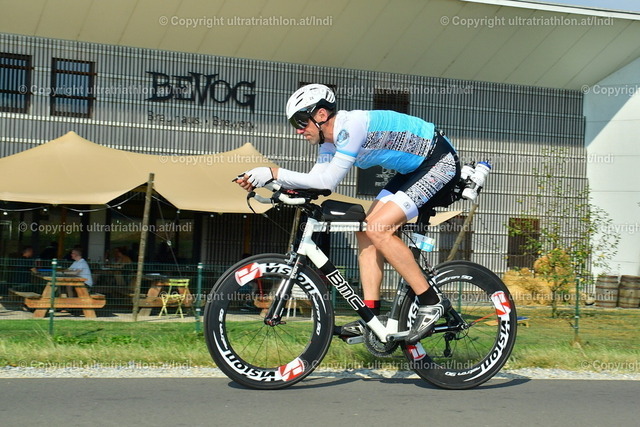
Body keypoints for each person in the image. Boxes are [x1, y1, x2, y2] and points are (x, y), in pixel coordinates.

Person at [235, 84, 461, 344]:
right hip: (413, 170)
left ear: (321, 115)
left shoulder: (349, 127)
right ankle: (372, 318)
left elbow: (326, 182)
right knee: (365, 229)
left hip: (438, 161)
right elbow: (316, 182)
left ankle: (431, 301)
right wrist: (272, 183)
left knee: (378, 228)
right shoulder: (329, 143)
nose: (298, 130)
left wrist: (272, 172)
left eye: (300, 121)